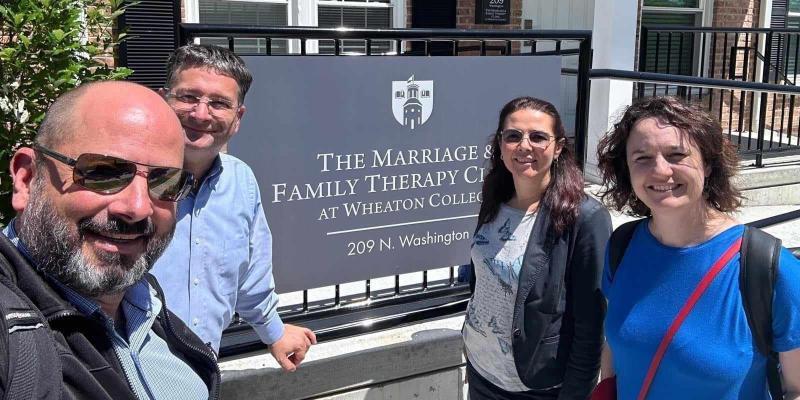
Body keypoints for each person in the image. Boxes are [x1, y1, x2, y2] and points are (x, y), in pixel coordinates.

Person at [1, 81, 218, 398]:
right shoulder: (11, 341)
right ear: (27, 179)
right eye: (104, 172)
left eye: (166, 181)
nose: (138, 208)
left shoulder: (148, 306)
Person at [595, 96, 800, 399]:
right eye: (642, 157)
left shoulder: (771, 269)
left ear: (707, 165)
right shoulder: (622, 246)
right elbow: (615, 349)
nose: (660, 171)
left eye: (677, 154)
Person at [151, 44, 315, 370]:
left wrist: (274, 331)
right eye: (188, 97)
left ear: (237, 118)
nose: (200, 114)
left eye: (219, 103)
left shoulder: (241, 181)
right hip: (121, 373)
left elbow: (251, 274)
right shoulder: (125, 180)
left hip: (202, 368)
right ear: (162, 100)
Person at [463, 96, 611, 399]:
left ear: (558, 148)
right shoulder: (495, 199)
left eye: (538, 137)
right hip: (480, 369)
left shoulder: (585, 218)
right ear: (500, 146)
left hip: (534, 386)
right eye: (513, 136)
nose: (524, 146)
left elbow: (590, 324)